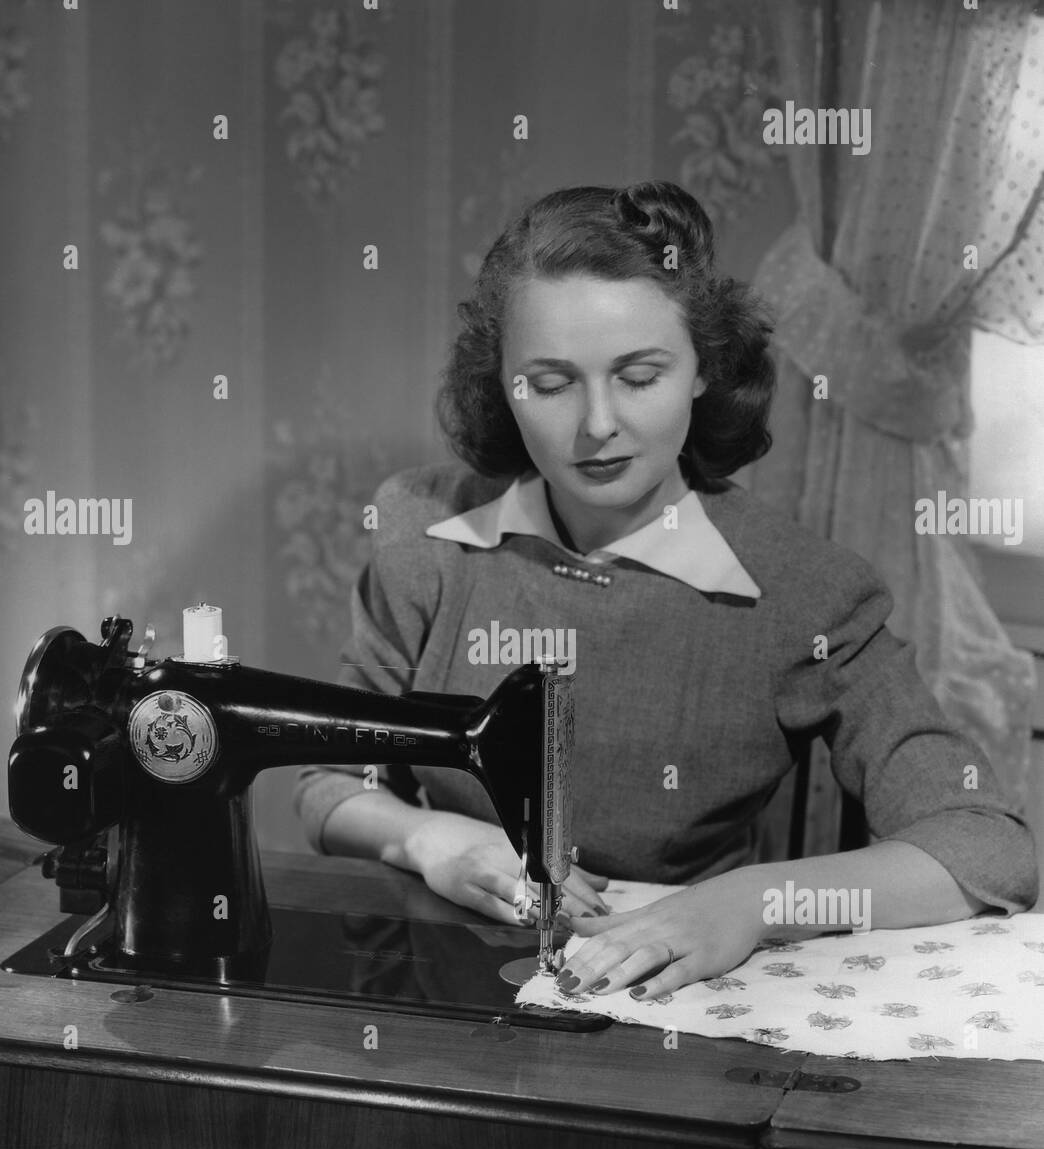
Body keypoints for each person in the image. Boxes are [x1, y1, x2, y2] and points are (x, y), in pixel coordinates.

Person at [293, 180, 1037, 1002]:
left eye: (639, 376)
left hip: (676, 1014)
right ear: (501, 386)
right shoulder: (421, 536)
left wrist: (749, 905)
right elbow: (330, 780)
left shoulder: (806, 593)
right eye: (550, 382)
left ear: (702, 374)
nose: (597, 424)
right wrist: (431, 838)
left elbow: (988, 844)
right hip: (446, 996)